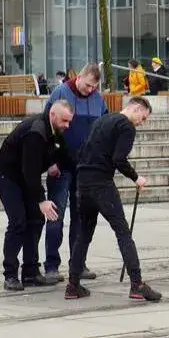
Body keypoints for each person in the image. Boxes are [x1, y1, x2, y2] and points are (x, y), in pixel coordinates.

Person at [66, 96, 161, 302]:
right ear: (136, 109)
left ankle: (72, 285)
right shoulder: (126, 126)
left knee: (84, 233)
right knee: (123, 232)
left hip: (83, 181)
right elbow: (119, 159)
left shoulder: (102, 120)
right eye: (143, 118)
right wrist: (136, 178)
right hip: (101, 184)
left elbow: (84, 149)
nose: (141, 123)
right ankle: (137, 284)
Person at [0, 100, 76, 291]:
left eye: (70, 121)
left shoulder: (55, 131)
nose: (67, 125)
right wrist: (41, 200)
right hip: (8, 176)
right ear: (52, 115)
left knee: (36, 220)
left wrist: (61, 164)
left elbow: (65, 156)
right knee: (18, 222)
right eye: (64, 121)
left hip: (25, 177)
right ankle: (10, 275)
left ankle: (30, 272)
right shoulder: (36, 131)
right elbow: (29, 170)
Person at [43, 63, 107, 281]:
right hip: (61, 167)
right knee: (56, 215)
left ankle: (78, 264)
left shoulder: (98, 99)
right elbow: (46, 127)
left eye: (94, 87)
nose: (90, 90)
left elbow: (104, 129)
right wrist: (50, 160)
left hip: (85, 168)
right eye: (87, 85)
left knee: (81, 217)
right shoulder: (60, 93)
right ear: (79, 77)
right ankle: (51, 265)